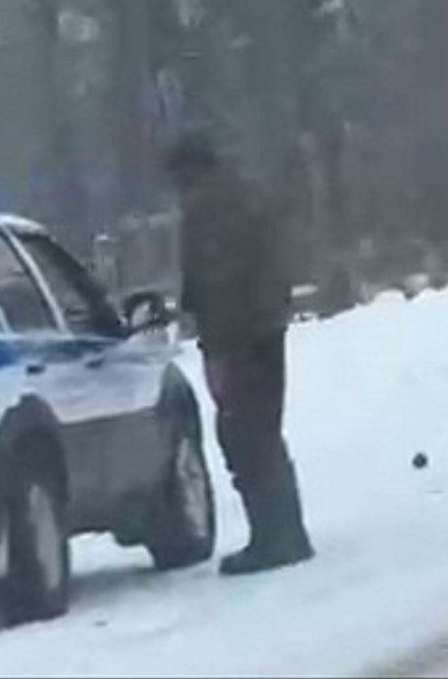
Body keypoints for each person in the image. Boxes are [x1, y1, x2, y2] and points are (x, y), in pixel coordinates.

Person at [166, 127, 315, 576]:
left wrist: (217, 348)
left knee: (243, 436)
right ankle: (287, 531)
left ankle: (272, 538)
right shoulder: (245, 195)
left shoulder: (207, 210)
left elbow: (216, 285)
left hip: (238, 340)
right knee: (263, 433)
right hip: (265, 330)